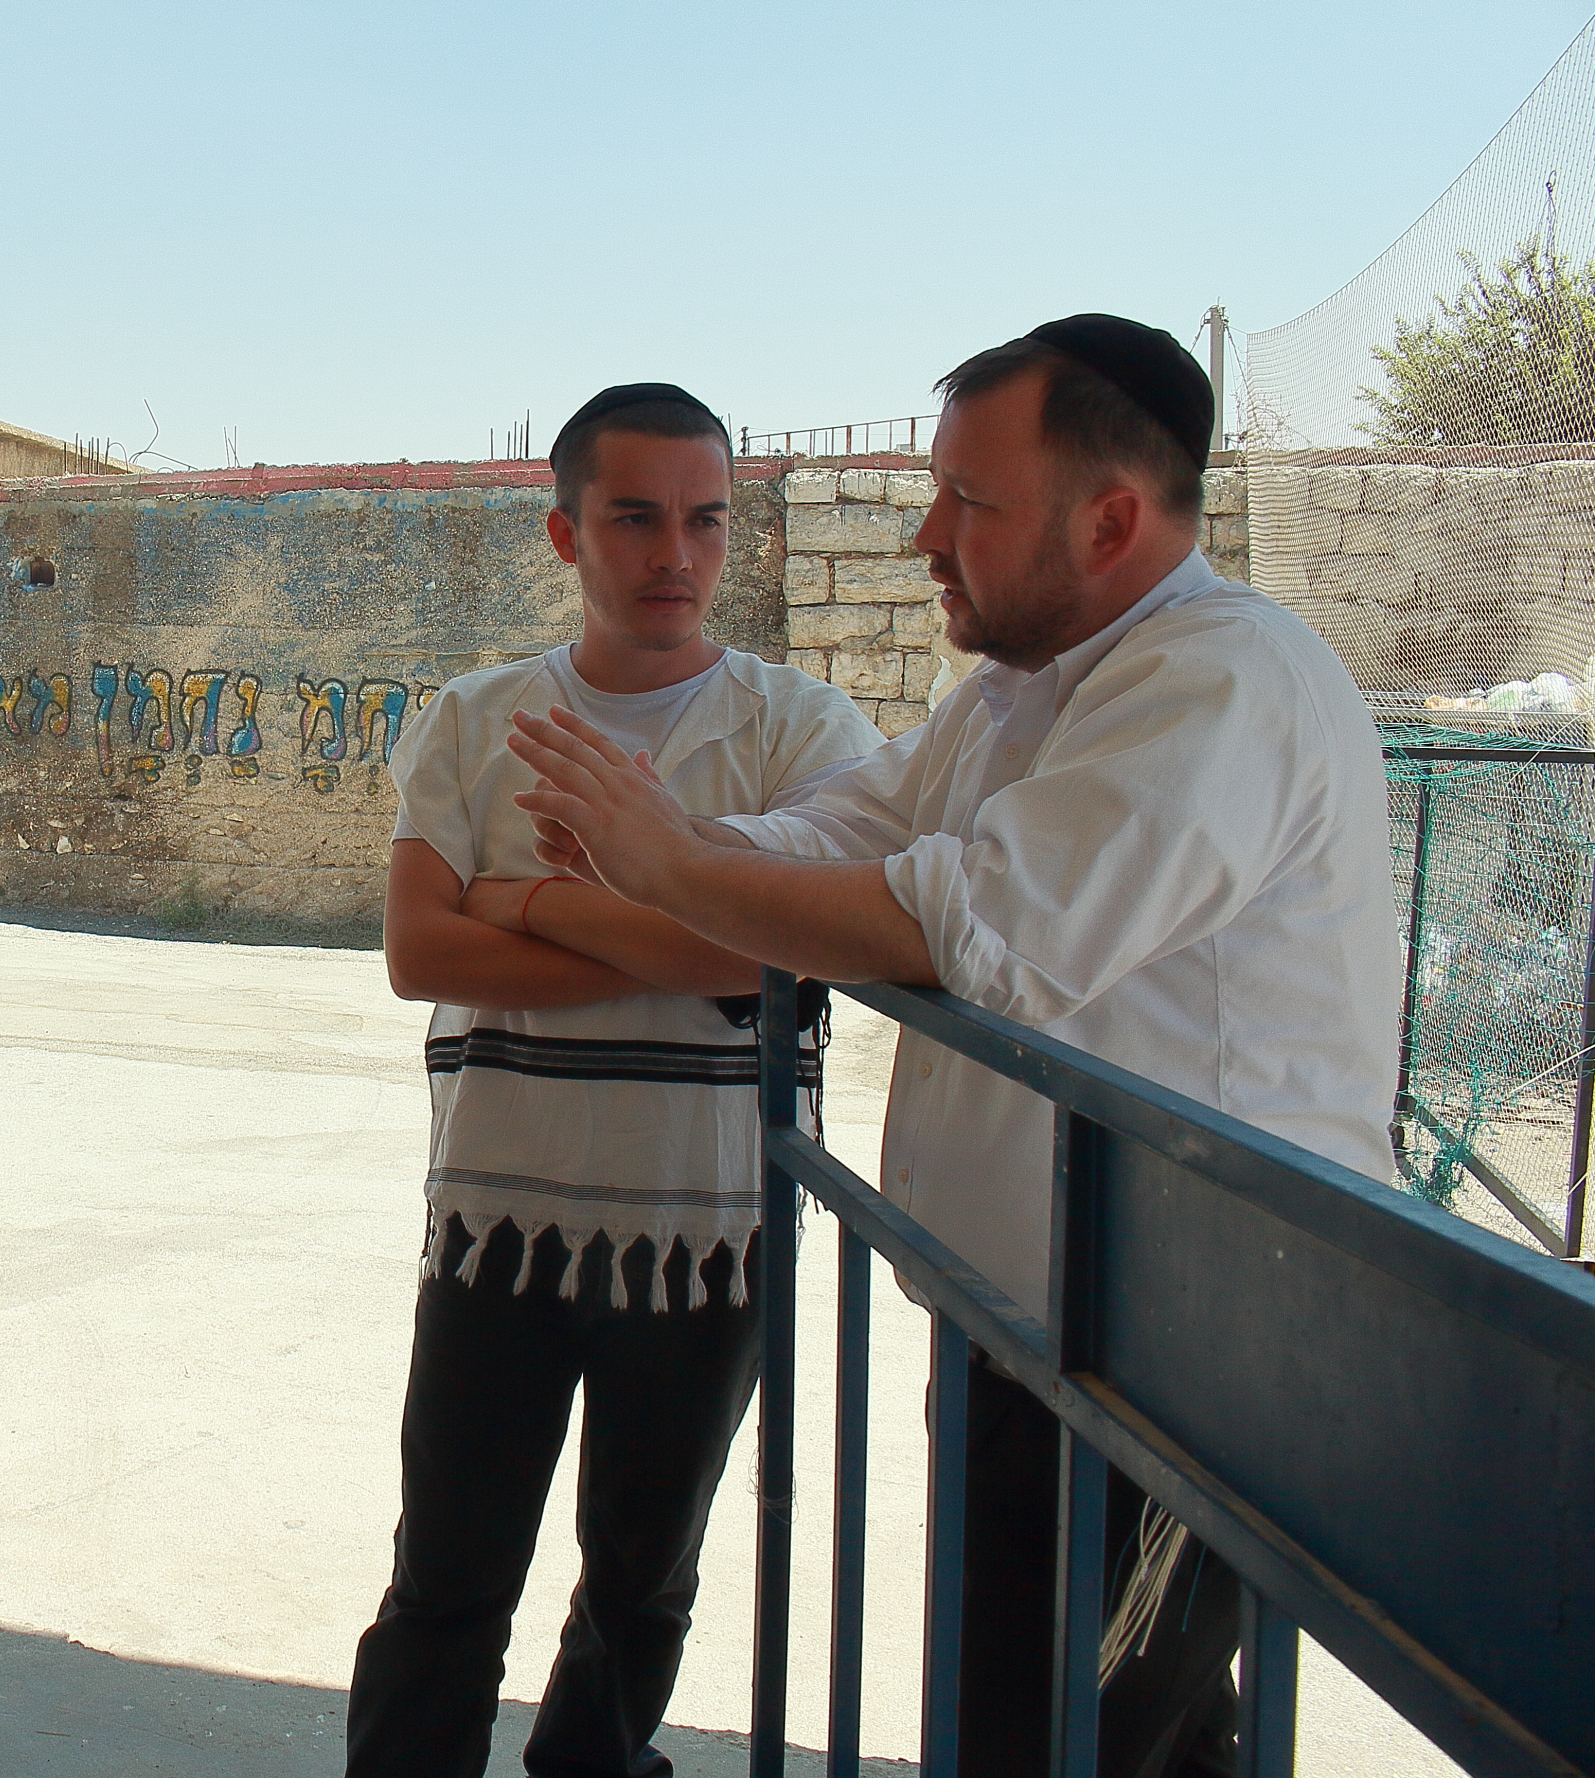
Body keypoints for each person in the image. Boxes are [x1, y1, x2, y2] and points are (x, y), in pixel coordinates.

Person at [507, 317, 1401, 1777]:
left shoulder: (1224, 681)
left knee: (1063, 1732)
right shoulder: (1016, 689)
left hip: (1189, 1362)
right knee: (1081, 1725)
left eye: (968, 503)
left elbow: (972, 922)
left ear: (1110, 518)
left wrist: (667, 865)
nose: (927, 535)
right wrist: (669, 846)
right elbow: (858, 828)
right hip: (1047, 1322)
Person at [347, 383, 884, 1778]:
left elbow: (772, 953)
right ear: (563, 532)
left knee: (641, 1584)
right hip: (500, 1223)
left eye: (704, 519)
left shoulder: (802, 731)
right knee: (447, 1578)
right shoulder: (476, 722)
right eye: (634, 517)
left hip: (708, 1235)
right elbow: (417, 949)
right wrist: (698, 925)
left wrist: (530, 905)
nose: (675, 555)